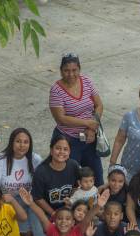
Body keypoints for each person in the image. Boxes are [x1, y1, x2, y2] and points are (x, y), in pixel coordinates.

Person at [48, 53, 104, 185]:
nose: (71, 74)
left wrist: (91, 128)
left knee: (97, 177)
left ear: (79, 69)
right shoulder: (56, 90)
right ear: (61, 71)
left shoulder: (87, 81)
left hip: (89, 138)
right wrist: (87, 123)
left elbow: (99, 105)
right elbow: (60, 118)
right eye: (66, 70)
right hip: (68, 140)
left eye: (74, 70)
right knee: (71, 179)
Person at [30, 134, 81, 236]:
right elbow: (37, 198)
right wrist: (53, 213)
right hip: (43, 210)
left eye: (65, 149)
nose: (61, 152)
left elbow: (77, 186)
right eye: (58, 148)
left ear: (69, 152)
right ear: (51, 150)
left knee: (80, 234)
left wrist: (71, 202)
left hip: (65, 209)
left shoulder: (73, 166)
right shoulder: (41, 171)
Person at [0, 128, 42, 236]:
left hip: (28, 201)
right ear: (12, 142)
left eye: (26, 142)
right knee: (14, 234)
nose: (22, 145)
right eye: (18, 141)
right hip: (7, 202)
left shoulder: (35, 159)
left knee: (29, 234)